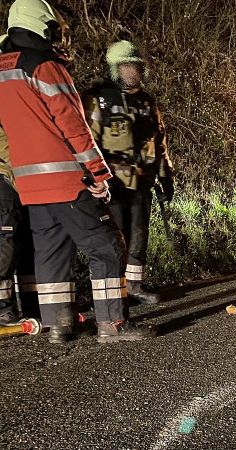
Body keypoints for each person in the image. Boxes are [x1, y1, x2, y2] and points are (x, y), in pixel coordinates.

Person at [0, 0, 152, 343]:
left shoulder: (3, 70)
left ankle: (59, 325)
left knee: (51, 252)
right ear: (41, 27)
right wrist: (98, 173)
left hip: (27, 182)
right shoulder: (45, 67)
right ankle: (112, 324)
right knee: (108, 246)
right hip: (66, 177)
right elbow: (72, 125)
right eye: (53, 29)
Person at [83, 40, 174, 305]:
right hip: (111, 181)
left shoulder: (147, 101)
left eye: (135, 67)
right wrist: (92, 175)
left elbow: (160, 140)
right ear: (114, 69)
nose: (131, 72)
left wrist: (166, 174)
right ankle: (114, 290)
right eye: (126, 67)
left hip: (142, 180)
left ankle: (135, 285)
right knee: (115, 235)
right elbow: (87, 140)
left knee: (139, 233)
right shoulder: (98, 98)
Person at [0, 123, 38, 326]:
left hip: (18, 185)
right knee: (6, 246)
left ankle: (33, 305)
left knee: (24, 244)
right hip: (7, 181)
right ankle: (2, 308)